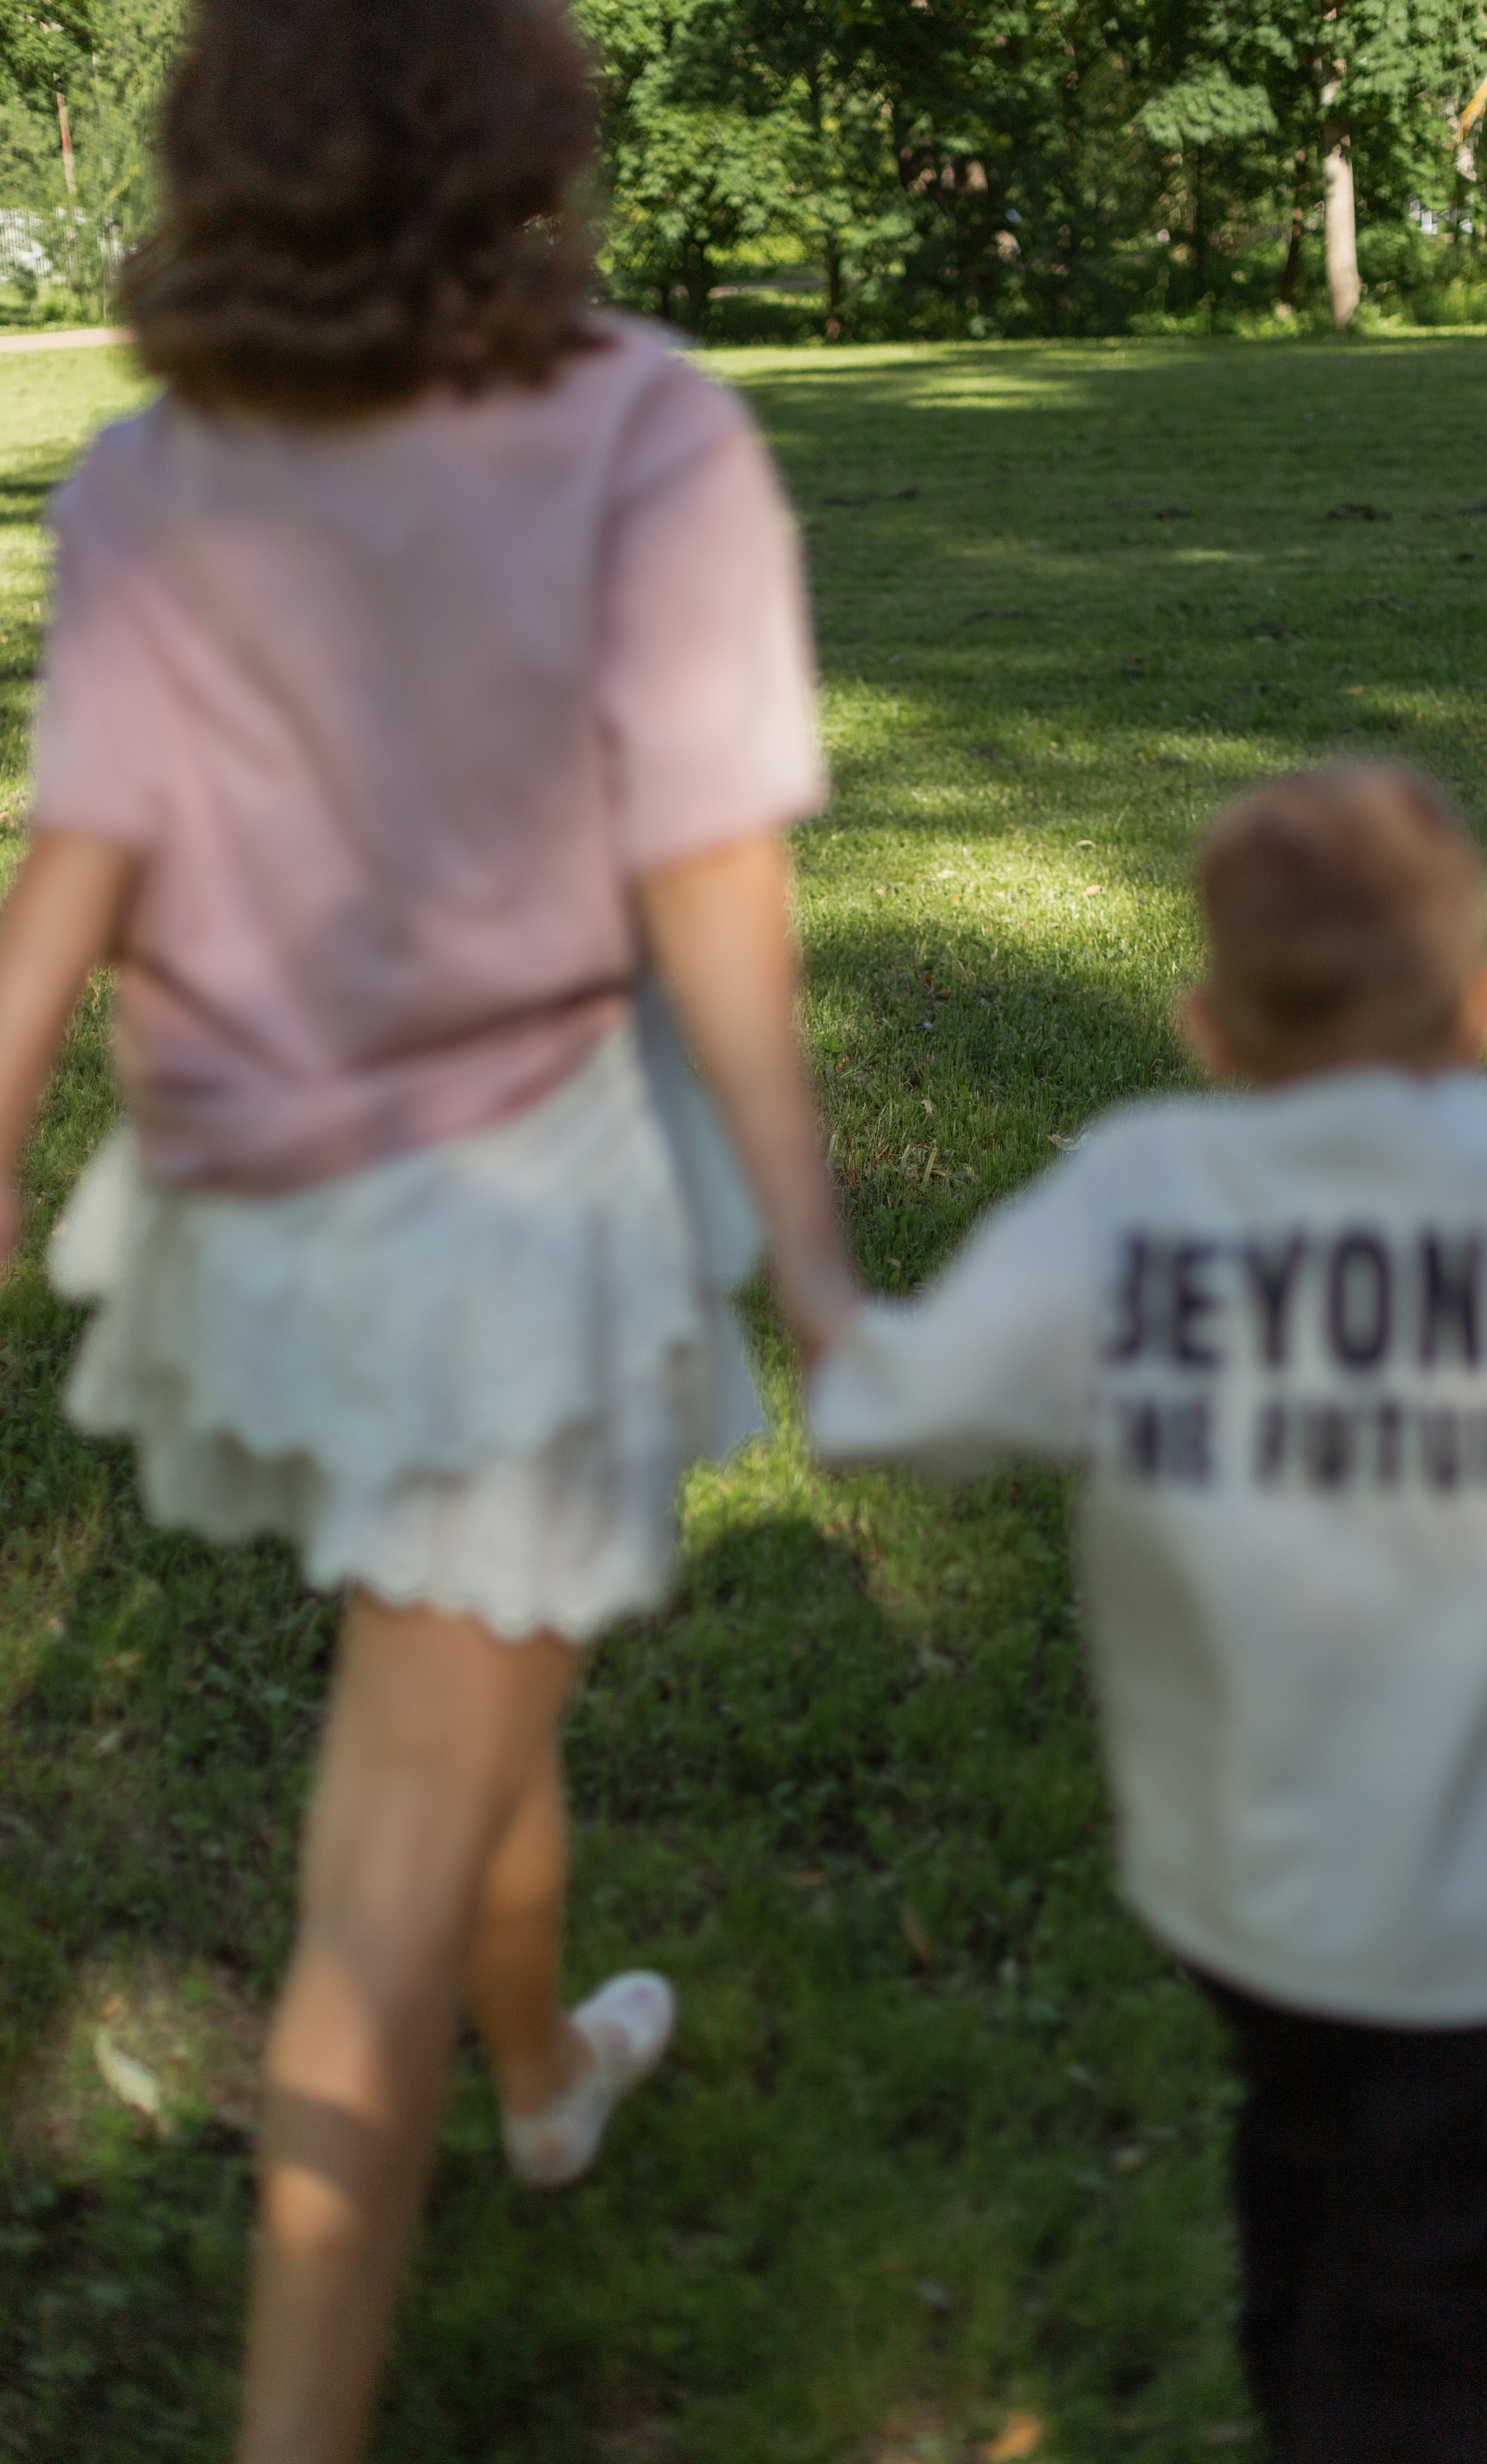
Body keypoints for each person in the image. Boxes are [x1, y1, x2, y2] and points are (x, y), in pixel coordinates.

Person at [0, 2, 854, 2458]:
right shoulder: (639, 430)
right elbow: (714, 899)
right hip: (492, 1230)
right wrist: (813, 1261)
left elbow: (81, 868)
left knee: (473, 1648)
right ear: (522, 134)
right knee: (373, 1869)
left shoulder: (161, 468)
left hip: (244, 1214)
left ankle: (548, 2070)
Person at [810, 764, 1487, 2464]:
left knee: (1317, 2171)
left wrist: (823, 1291)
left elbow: (891, 1418)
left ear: (1207, 1026)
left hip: (1256, 1897)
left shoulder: (1137, 1198)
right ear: (1484, 1006)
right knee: (1434, 2302)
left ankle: (1311, 2384)